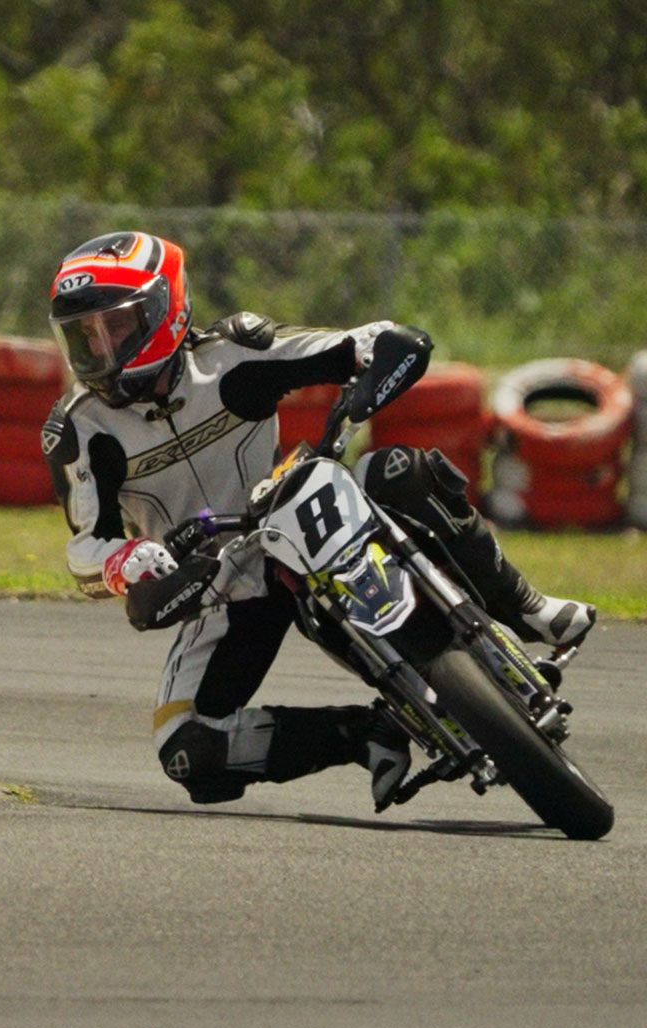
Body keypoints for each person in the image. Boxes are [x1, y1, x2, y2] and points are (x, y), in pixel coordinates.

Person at [41, 230, 596, 811]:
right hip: (221, 582)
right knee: (187, 749)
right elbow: (86, 549)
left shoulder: (234, 354)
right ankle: (366, 734)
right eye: (86, 335)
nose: (102, 348)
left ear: (166, 309)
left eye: (119, 326)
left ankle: (526, 606)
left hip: (297, 513)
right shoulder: (79, 429)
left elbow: (374, 343)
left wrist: (371, 368)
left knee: (396, 469)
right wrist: (127, 563)